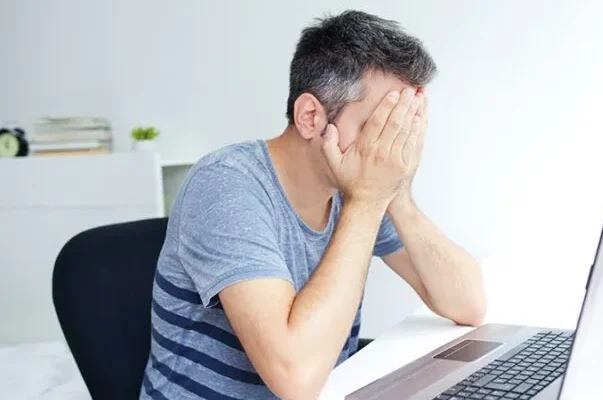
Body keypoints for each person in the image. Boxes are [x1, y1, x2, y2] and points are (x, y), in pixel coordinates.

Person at [140, 9, 486, 400]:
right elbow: (296, 379)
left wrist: (398, 193)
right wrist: (368, 201)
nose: (387, 148)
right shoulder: (226, 184)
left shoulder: (358, 185)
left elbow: (468, 305)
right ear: (310, 116)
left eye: (399, 127)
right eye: (379, 126)